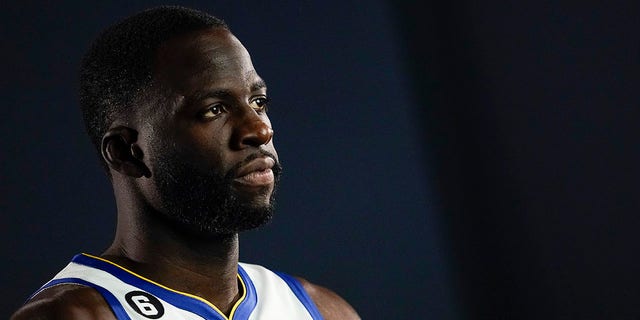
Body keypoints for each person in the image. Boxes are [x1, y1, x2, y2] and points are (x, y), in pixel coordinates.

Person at [11, 5, 360, 320]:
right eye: (214, 110)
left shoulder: (323, 310)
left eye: (258, 101)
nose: (260, 129)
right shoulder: (74, 314)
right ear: (126, 152)